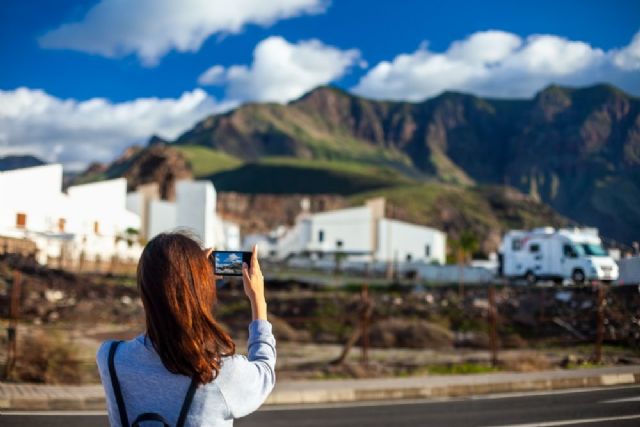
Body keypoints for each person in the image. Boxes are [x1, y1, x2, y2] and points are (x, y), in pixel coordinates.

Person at [96, 232, 275, 426]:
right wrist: (258, 301)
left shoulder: (111, 359)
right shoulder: (218, 373)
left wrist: (193, 280)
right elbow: (264, 372)